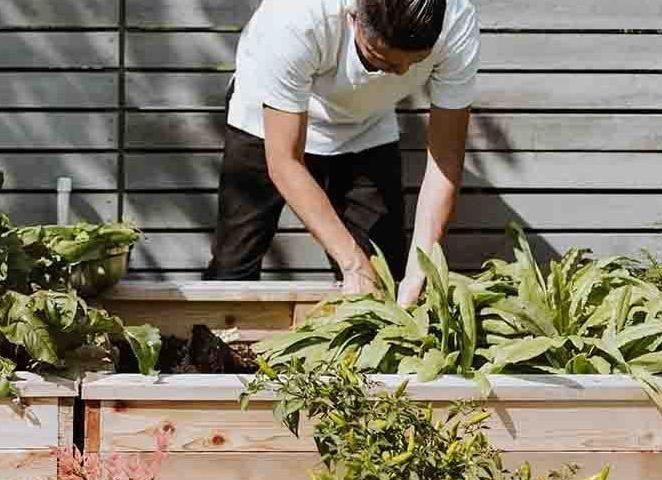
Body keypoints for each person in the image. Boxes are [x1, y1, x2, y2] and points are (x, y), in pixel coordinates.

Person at [203, 0, 480, 307]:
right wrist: (352, 263)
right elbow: (284, 162)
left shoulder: (456, 22)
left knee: (386, 278)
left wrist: (421, 266)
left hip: (366, 125)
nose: (401, 74)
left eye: (415, 63)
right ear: (353, 15)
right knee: (233, 267)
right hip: (265, 119)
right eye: (382, 62)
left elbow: (445, 160)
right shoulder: (294, 16)